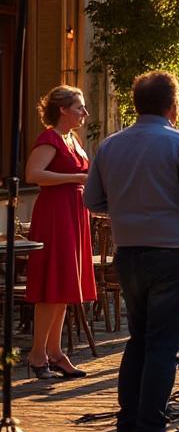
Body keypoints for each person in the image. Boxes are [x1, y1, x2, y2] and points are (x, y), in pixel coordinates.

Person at [85, 71, 179, 432]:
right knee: (163, 346)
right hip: (173, 251)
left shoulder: (110, 145)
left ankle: (127, 431)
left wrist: (130, 209)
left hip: (129, 252)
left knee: (138, 340)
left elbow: (93, 198)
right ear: (173, 106)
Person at [23, 85, 95, 379]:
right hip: (56, 213)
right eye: (79, 107)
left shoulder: (73, 139)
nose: (85, 113)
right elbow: (33, 174)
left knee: (65, 284)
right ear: (63, 109)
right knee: (52, 284)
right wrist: (77, 177)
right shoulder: (49, 139)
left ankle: (55, 352)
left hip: (74, 212)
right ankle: (37, 353)